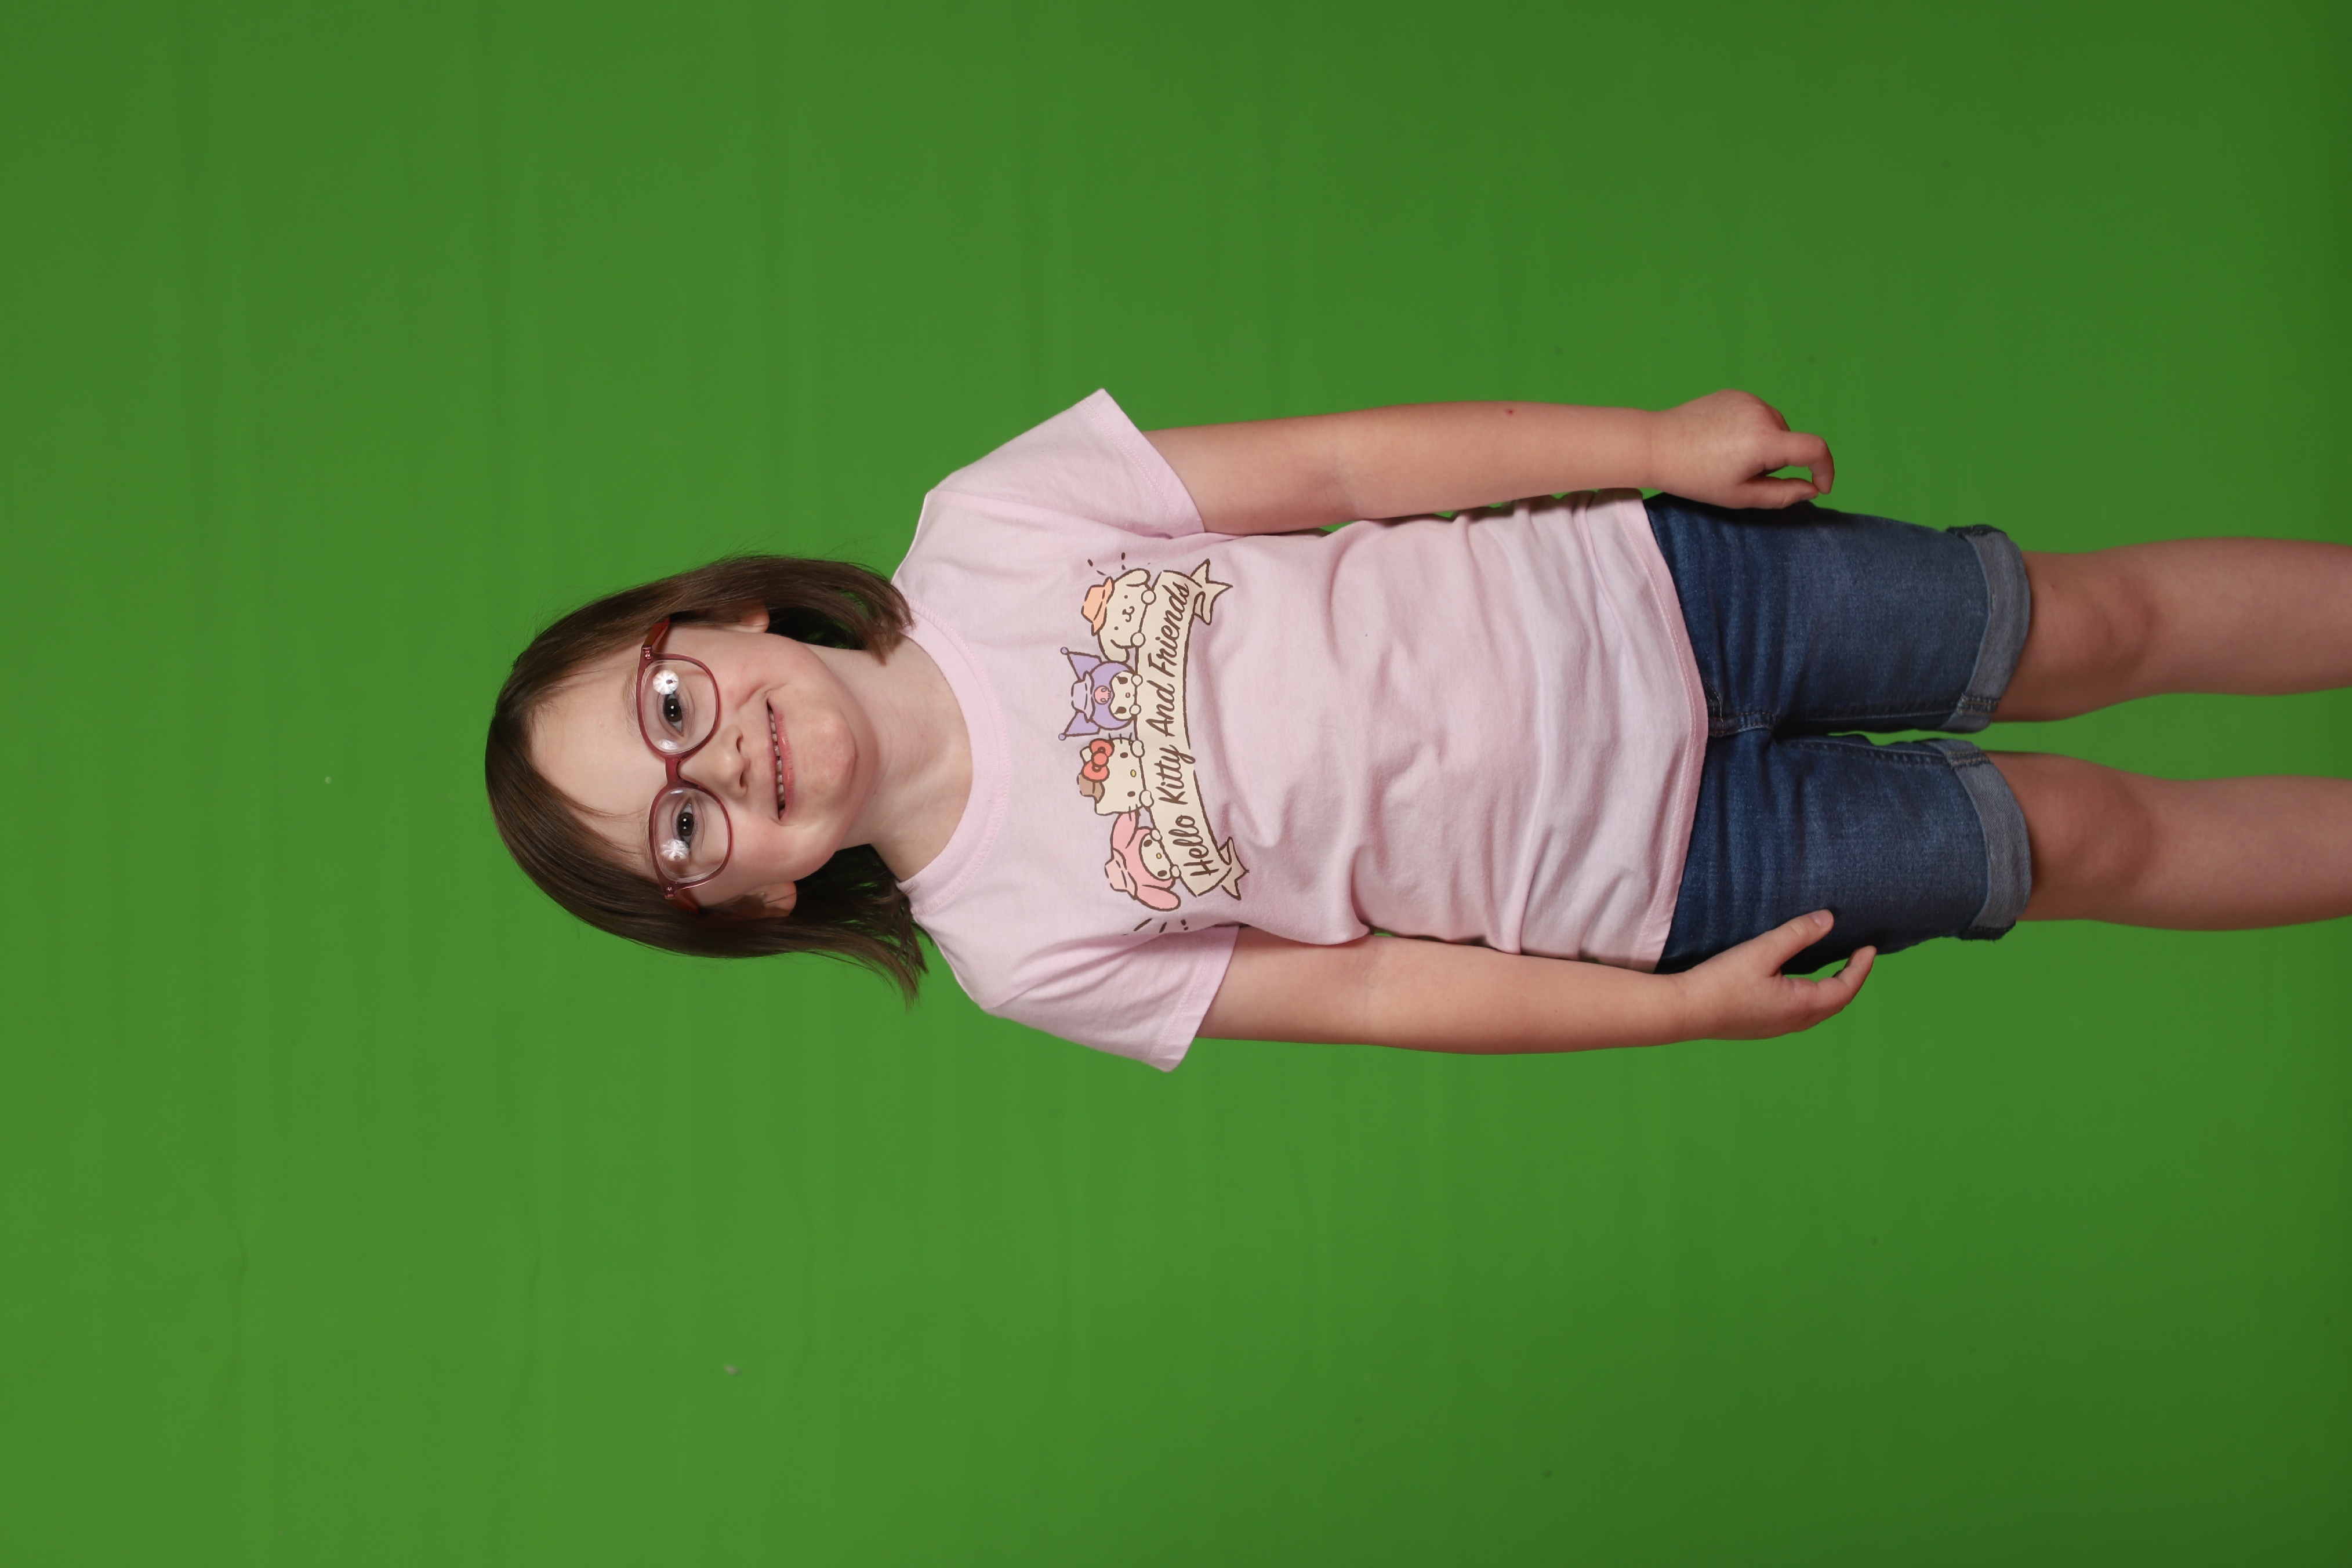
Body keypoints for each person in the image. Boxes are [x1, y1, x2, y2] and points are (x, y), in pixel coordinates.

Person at [487, 390, 2352, 1069]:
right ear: (744, 900)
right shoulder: (1016, 949)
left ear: (724, 621)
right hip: (1674, 878)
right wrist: (1668, 1012)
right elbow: (1372, 987)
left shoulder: (991, 527)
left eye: (671, 706)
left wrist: (1646, 447)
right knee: (2080, 835)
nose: (716, 766)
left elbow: (1339, 466)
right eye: (679, 827)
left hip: (1667, 591)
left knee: (2088, 623)